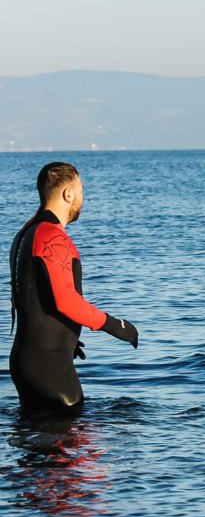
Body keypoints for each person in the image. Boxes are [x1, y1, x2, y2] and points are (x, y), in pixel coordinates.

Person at [9, 162, 139, 409]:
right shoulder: (52, 237)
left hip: (27, 359)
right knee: (72, 442)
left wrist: (68, 334)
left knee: (37, 441)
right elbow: (65, 300)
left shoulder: (25, 233)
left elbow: (31, 296)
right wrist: (118, 326)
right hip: (49, 366)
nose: (82, 196)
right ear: (68, 194)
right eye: (81, 190)